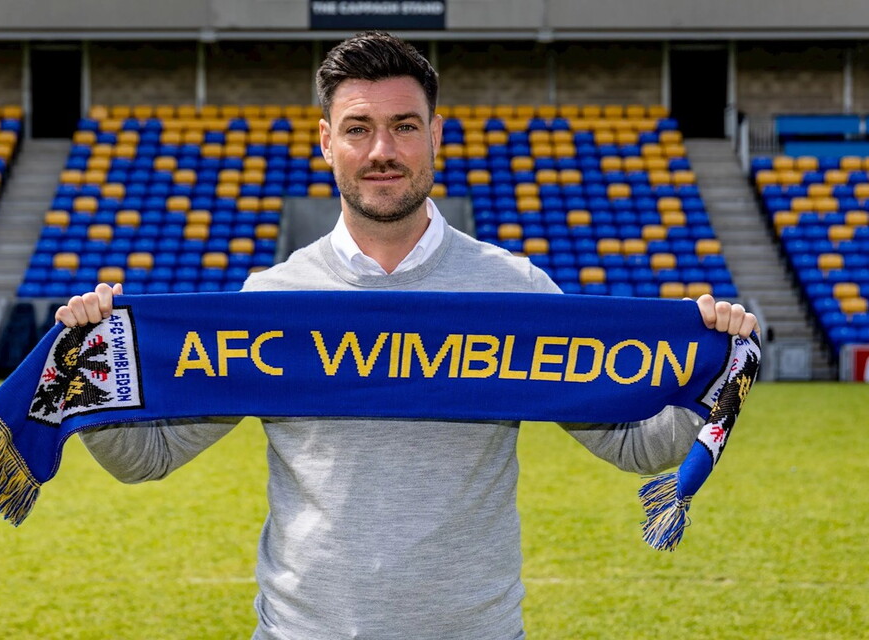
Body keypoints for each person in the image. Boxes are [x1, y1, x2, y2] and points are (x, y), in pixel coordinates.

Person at [56, 31, 757, 640]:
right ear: (326, 140)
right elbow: (144, 458)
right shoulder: (272, 301)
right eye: (358, 127)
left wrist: (709, 375)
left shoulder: (514, 293)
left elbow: (634, 444)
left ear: (437, 135)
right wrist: (90, 370)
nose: (382, 150)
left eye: (405, 126)